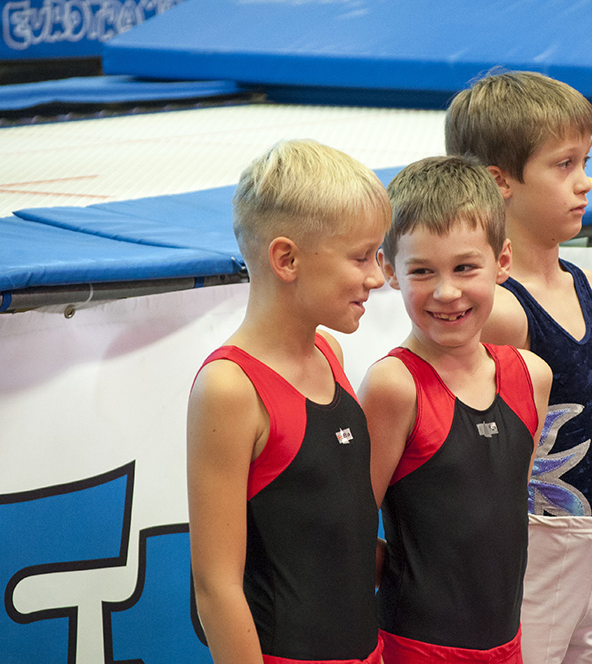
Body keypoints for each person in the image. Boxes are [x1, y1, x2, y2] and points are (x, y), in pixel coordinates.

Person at [186, 139, 390, 664]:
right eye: (361, 257)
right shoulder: (230, 389)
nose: (376, 276)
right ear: (287, 259)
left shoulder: (329, 353)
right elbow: (215, 588)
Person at [444, 69, 592, 664]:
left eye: (585, 162)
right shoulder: (500, 311)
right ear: (501, 182)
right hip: (536, 537)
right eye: (564, 165)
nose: (586, 182)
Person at [358, 155, 552, 664]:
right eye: (422, 271)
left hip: (506, 643)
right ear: (389, 270)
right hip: (414, 646)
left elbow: (506, 510)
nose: (447, 292)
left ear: (502, 261)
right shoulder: (395, 386)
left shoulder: (531, 376)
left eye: (465, 267)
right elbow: (349, 531)